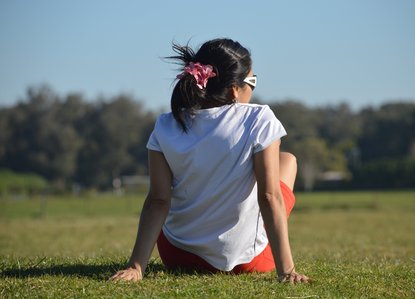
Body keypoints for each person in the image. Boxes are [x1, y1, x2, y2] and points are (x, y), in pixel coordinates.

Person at [110, 38, 310, 284]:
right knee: (287, 160)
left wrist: (136, 267)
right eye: (252, 81)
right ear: (234, 89)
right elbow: (269, 197)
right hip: (248, 262)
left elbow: (158, 200)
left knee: (282, 159)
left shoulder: (166, 124)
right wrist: (287, 271)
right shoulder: (259, 118)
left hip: (177, 255)